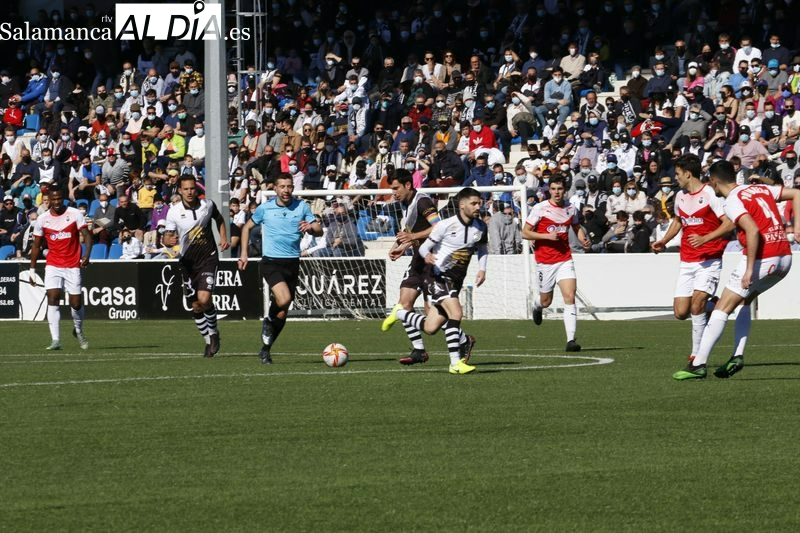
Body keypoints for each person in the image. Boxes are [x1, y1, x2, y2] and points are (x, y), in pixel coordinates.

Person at [673, 160, 800, 380]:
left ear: (714, 181)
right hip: (784, 258)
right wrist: (797, 228)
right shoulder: (759, 188)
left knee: (722, 308)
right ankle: (737, 355)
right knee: (744, 301)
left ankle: (698, 364)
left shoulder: (732, 200)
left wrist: (749, 269)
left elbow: (751, 230)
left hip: (763, 257)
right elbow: (797, 193)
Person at [382, 187, 487, 375]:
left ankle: (400, 314)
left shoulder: (480, 227)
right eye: (474, 203)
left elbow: (483, 248)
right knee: (456, 312)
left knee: (431, 327)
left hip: (455, 280)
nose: (478, 206)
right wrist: (428, 255)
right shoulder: (445, 225)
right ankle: (455, 363)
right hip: (437, 276)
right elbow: (424, 248)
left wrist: (482, 269)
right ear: (462, 205)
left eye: (479, 203)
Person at [652, 154, 733, 364]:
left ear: (688, 174)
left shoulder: (710, 194)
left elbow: (728, 223)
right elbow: (679, 221)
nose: (675, 178)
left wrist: (706, 238)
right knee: (680, 312)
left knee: (696, 306)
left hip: (709, 259)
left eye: (678, 174)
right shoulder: (680, 196)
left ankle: (696, 355)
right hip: (687, 260)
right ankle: (711, 304)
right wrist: (664, 241)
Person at [237, 173, 322, 364]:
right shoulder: (265, 209)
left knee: (283, 311)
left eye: (289, 186)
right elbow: (246, 228)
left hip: (292, 262)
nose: (286, 190)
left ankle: (266, 349)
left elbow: (319, 230)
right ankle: (267, 319)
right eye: (282, 186)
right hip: (271, 261)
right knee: (284, 299)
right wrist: (244, 254)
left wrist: (310, 227)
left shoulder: (302, 207)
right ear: (275, 188)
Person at [522, 176, 591, 352]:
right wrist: (545, 236)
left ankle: (570, 340)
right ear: (549, 190)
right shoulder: (540, 208)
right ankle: (537, 305)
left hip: (564, 259)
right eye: (553, 189)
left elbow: (576, 227)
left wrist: (584, 239)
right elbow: (525, 233)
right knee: (546, 301)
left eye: (559, 189)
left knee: (570, 296)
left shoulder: (571, 209)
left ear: (565, 190)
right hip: (545, 261)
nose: (556, 192)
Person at [162, 175, 229, 357]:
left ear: (196, 189)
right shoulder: (173, 212)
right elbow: (167, 237)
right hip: (187, 261)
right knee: (196, 306)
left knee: (205, 298)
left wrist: (223, 237)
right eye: (186, 189)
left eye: (192, 188)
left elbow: (220, 219)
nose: (190, 192)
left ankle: (214, 333)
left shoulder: (207, 205)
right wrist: (168, 241)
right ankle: (208, 340)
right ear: (180, 191)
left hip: (208, 258)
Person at [28, 188, 92, 350]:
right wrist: (32, 270)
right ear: (47, 199)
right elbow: (36, 246)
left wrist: (87, 255)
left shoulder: (75, 213)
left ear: (63, 198)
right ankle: (56, 340)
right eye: (53, 199)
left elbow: (87, 235)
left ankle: (78, 330)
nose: (56, 202)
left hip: (72, 265)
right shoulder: (42, 219)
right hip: (53, 264)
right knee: (53, 297)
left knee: (76, 304)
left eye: (59, 198)